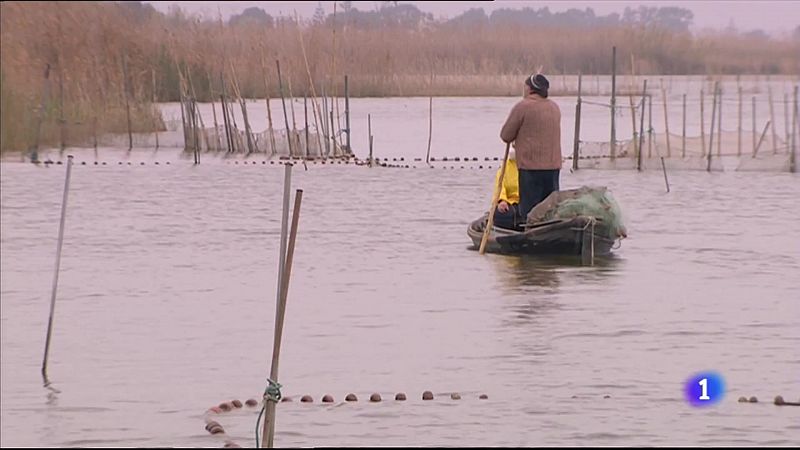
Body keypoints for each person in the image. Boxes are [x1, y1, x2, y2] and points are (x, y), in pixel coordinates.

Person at [499, 73, 562, 224]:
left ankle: (531, 237)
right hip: (553, 168)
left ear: (530, 89)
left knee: (530, 212)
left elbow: (506, 135)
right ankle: (549, 236)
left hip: (530, 168)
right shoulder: (554, 107)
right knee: (549, 210)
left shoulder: (523, 106)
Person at [491, 148, 521, 230]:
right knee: (502, 214)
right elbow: (500, 186)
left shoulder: (527, 166)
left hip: (525, 202)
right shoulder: (504, 169)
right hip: (509, 202)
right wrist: (502, 200)